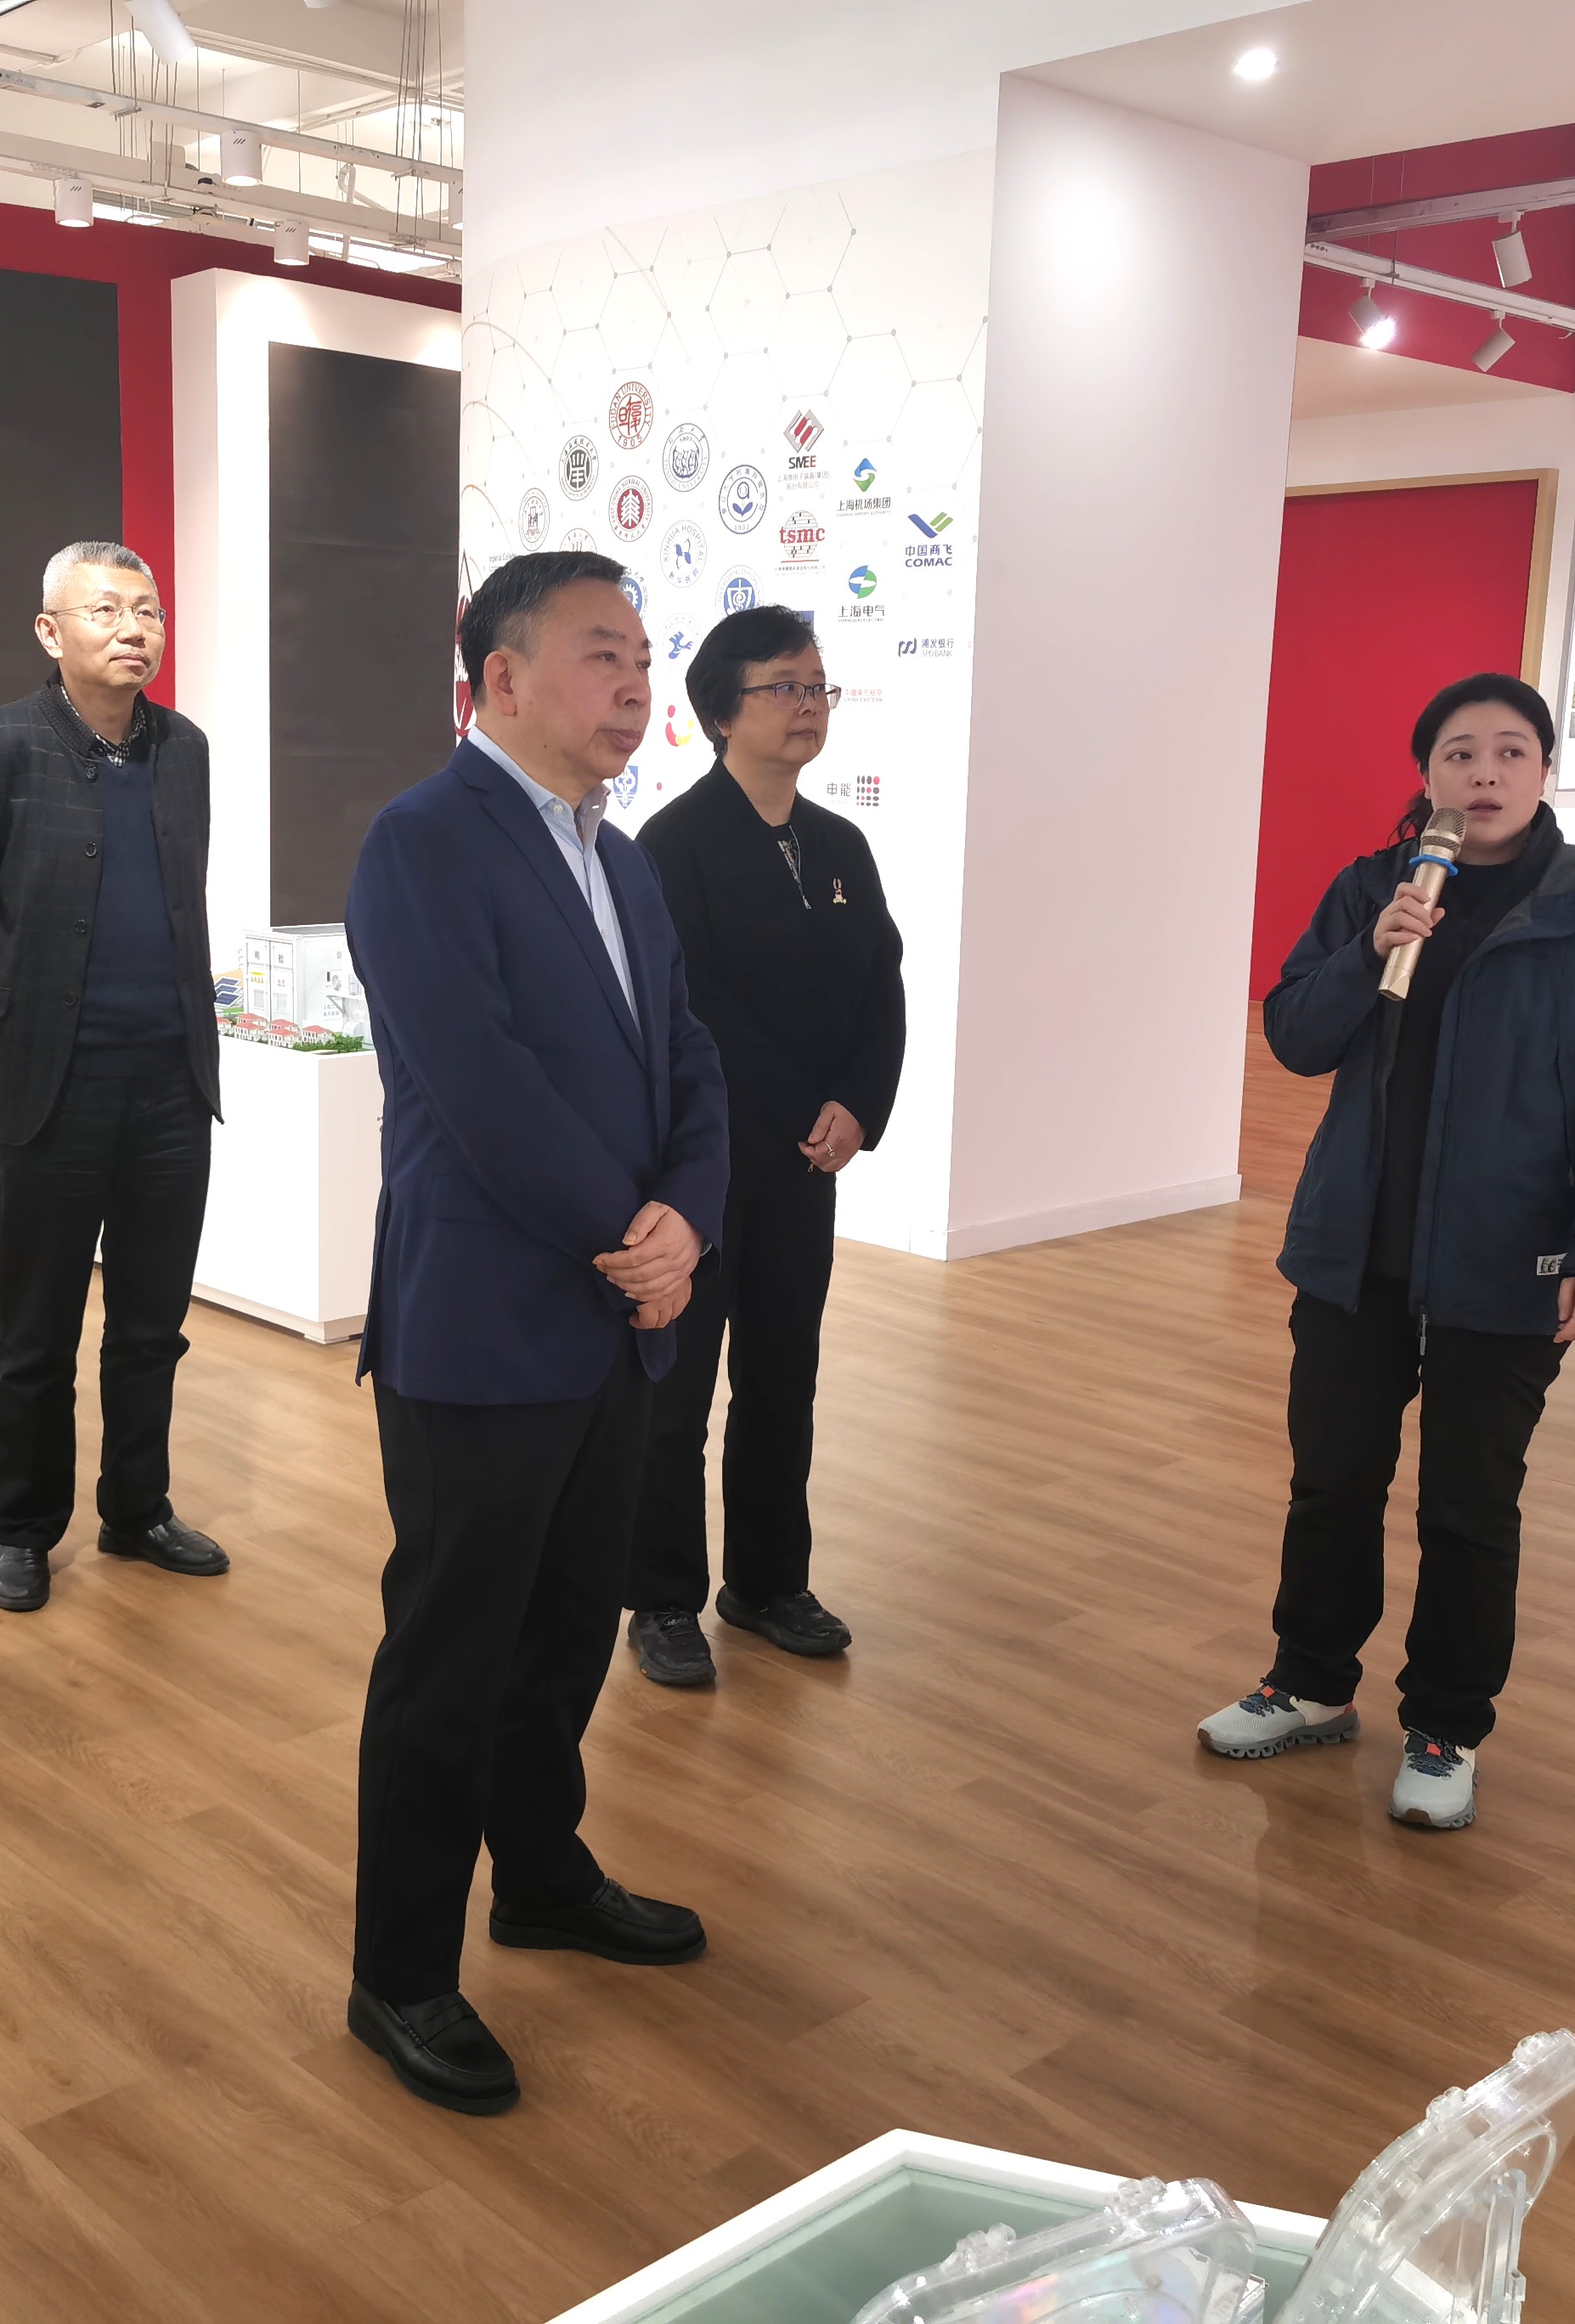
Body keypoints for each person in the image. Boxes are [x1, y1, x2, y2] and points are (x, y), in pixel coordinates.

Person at [341, 550, 731, 2114]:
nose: (634, 685)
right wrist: (632, 1241)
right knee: (452, 1654)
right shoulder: (421, 843)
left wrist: (688, 1215)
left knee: (567, 1629)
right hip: (486, 1326)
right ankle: (400, 1972)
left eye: (640, 656)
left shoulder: (620, 861)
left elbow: (687, 1055)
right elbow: (479, 1084)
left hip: (614, 1319)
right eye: (598, 655)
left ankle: (543, 1875)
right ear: (499, 678)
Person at [1200, 674, 1575, 1832]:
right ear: (1427, 775)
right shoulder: (1374, 888)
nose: (1486, 773)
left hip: (1507, 1260)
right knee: (1332, 1482)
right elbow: (1295, 1037)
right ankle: (1311, 1683)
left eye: (1512, 751)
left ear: (1546, 771)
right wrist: (1366, 952)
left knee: (1469, 1506)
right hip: (1355, 1246)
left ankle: (1446, 1725)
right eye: (1460, 753)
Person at [0, 541, 228, 1614]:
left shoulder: (185, 750)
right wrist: (20, 1003)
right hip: (53, 1086)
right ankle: (23, 1527)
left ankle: (137, 1509)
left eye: (148, 610)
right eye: (106, 610)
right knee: (38, 1330)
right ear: (51, 632)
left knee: (152, 1324)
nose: (134, 628)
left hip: (172, 1083)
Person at [624, 606, 904, 1686]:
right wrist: (802, 1105)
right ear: (719, 713)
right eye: (784, 687)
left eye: (818, 686)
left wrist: (858, 1105)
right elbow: (689, 1011)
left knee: (785, 1377)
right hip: (700, 1167)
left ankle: (768, 1583)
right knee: (677, 1390)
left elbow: (880, 990)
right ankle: (661, 1598)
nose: (808, 706)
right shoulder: (673, 846)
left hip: (803, 1166)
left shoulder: (840, 846)